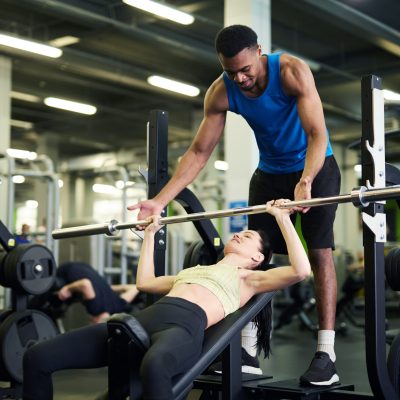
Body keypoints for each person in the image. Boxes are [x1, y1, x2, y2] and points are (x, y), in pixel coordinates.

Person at [128, 24, 341, 386]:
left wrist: (305, 180)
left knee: (319, 252)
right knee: (254, 257)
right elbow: (198, 152)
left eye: (246, 69)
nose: (240, 79)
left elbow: (316, 133)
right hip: (269, 172)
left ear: (260, 52)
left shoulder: (291, 71)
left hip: (315, 168)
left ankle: (326, 352)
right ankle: (248, 349)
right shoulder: (220, 91)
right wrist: (159, 202)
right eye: (231, 72)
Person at [23, 200, 312, 400]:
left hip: (182, 328)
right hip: (143, 320)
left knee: (156, 365)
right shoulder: (193, 270)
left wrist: (283, 218)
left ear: (257, 258)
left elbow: (301, 270)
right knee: (37, 356)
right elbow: (145, 282)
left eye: (247, 236)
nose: (238, 234)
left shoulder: (249, 279)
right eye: (239, 231)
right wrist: (149, 235)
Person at [29, 262, 140, 324]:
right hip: (67, 271)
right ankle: (30, 310)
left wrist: (107, 288)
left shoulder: (118, 305)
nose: (91, 323)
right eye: (93, 324)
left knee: (71, 297)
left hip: (84, 267)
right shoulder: (95, 309)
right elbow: (85, 284)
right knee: (56, 296)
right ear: (97, 322)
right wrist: (68, 289)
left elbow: (134, 287)